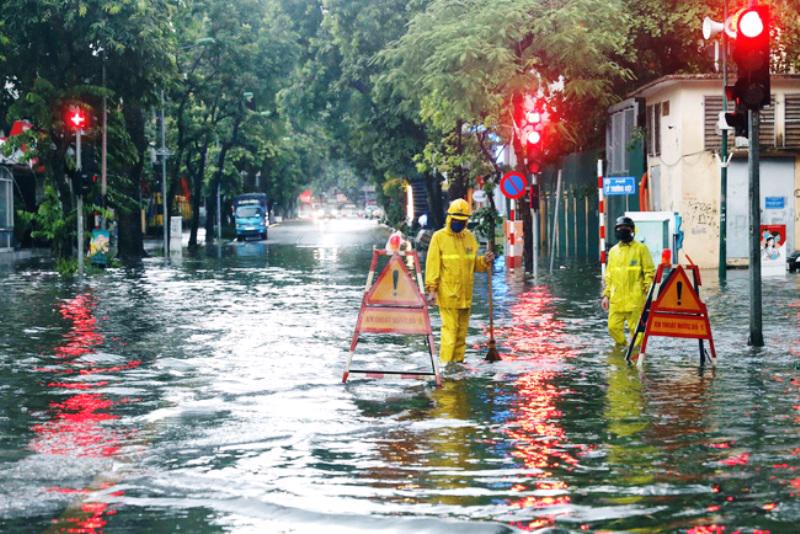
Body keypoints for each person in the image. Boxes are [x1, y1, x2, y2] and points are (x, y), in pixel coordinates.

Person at [425, 198, 495, 363]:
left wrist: (485, 261)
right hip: (448, 295)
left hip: (465, 295)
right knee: (450, 333)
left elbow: (474, 265)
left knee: (461, 335)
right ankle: (446, 367)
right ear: (450, 218)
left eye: (463, 221)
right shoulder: (439, 237)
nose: (459, 224)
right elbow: (433, 266)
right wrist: (432, 290)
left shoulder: (469, 238)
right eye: (456, 220)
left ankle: (457, 365)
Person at [601, 216, 655, 346]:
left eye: (625, 228)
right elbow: (609, 276)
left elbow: (649, 272)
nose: (622, 230)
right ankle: (624, 348)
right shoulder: (613, 251)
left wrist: (648, 291)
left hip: (635, 301)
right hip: (616, 300)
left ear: (632, 230)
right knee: (612, 328)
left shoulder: (641, 249)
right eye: (619, 228)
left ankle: (635, 356)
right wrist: (606, 295)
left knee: (637, 333)